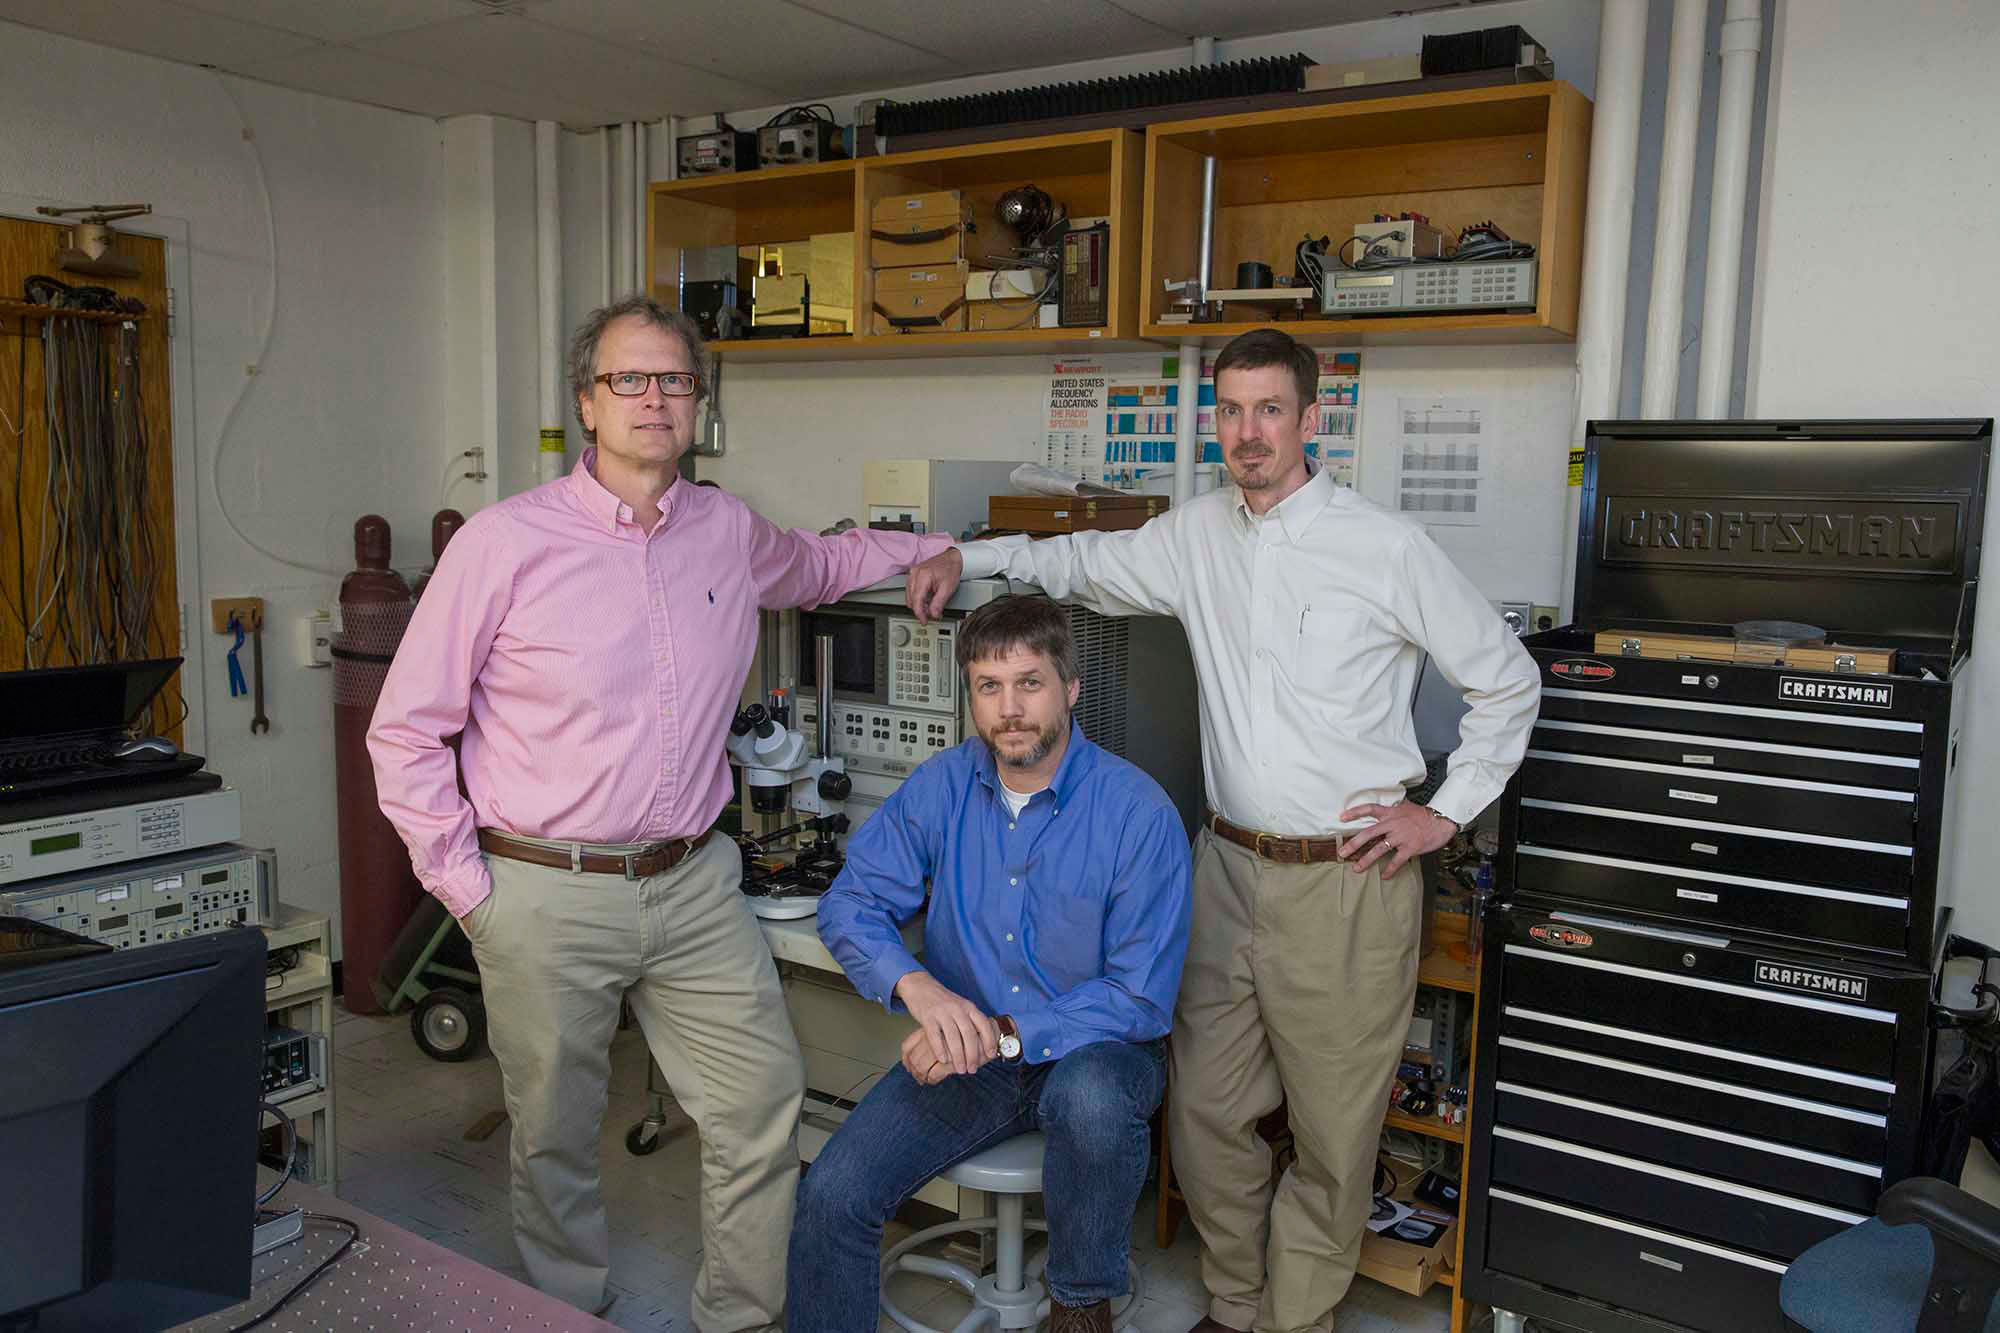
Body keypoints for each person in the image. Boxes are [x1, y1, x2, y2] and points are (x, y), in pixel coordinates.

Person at [904, 328, 1540, 1333]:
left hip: (1347, 882)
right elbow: (1073, 560)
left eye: (1268, 409)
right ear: (1215, 424)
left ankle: (1292, 1320)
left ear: (1309, 419)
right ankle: (1237, 1304)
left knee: (1333, 1138)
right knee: (1203, 1118)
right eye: (1231, 411)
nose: (1248, 431)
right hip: (1227, 868)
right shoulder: (1194, 534)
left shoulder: (1385, 546)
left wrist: (1441, 812)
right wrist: (961, 551)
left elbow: (1509, 680)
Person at [368, 295, 954, 1329]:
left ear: (697, 405)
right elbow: (407, 731)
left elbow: (818, 565)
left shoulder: (725, 531)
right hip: (544, 889)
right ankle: (566, 1311)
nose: (652, 398)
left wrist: (929, 548)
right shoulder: (503, 546)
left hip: (691, 882)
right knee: (553, 1134)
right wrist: (471, 891)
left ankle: (738, 1314)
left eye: (672, 380)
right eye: (627, 380)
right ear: (587, 403)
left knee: (758, 1103)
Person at [791, 595, 1192, 1333]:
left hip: (1096, 1051)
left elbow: (1139, 999)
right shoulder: (942, 785)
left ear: (1071, 687)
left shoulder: (1139, 813)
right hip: (971, 1053)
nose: (1010, 709)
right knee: (833, 1195)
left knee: (1093, 1098)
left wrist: (1005, 1030)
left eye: (1030, 683)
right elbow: (848, 903)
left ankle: (1079, 1303)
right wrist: (919, 988)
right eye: (989, 686)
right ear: (970, 696)